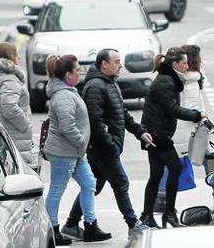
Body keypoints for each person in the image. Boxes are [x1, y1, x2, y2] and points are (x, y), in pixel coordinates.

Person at [62, 49, 153, 238]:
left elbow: (122, 113)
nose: (121, 65)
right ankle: (133, 223)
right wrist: (110, 144)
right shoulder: (96, 86)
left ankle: (71, 225)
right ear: (105, 64)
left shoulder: (110, 83)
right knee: (121, 183)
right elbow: (95, 121)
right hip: (102, 147)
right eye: (117, 61)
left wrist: (140, 132)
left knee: (93, 185)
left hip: (105, 146)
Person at [43, 54, 112, 245]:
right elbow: (67, 126)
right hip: (64, 152)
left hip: (75, 151)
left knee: (90, 184)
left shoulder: (68, 91)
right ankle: (53, 229)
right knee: (57, 189)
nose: (80, 72)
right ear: (67, 74)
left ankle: (90, 225)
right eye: (77, 70)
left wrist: (80, 145)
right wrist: (82, 142)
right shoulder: (64, 95)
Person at [140, 47, 207, 228]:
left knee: (156, 175)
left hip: (154, 132)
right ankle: (168, 213)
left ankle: (148, 215)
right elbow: (172, 109)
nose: (187, 66)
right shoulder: (166, 82)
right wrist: (195, 115)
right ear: (175, 64)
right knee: (175, 168)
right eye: (184, 63)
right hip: (157, 134)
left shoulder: (168, 79)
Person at [0, 42, 33, 164]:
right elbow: (10, 107)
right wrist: (25, 125)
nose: (18, 58)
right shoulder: (9, 79)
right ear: (8, 57)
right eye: (16, 55)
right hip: (13, 133)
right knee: (19, 174)